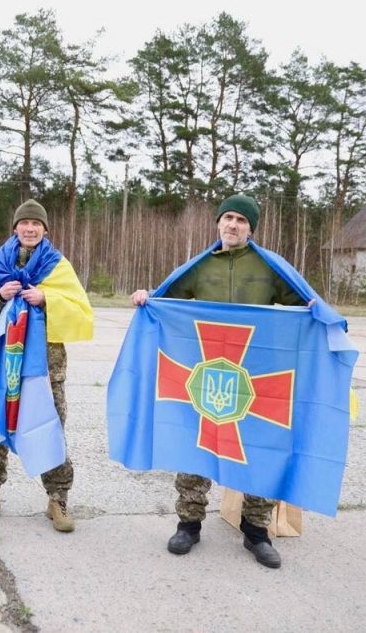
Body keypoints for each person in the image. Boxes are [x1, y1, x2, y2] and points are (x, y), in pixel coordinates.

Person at [130, 194, 310, 569]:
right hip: (208, 375)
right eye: (228, 217)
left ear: (251, 228)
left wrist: (318, 312)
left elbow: (301, 304)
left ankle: (256, 532)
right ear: (218, 223)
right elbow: (167, 301)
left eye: (241, 221)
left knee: (259, 449)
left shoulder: (268, 267)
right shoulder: (200, 267)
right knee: (198, 447)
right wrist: (148, 297)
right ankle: (189, 524)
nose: (233, 225)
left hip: (257, 375)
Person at [0, 199, 93, 532]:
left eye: (37, 224)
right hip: (5, 364)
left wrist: (47, 298)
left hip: (46, 369)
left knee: (51, 428)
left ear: (45, 230)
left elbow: (80, 310)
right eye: (25, 223)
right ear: (15, 228)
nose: (30, 229)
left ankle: (58, 499)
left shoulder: (58, 266)